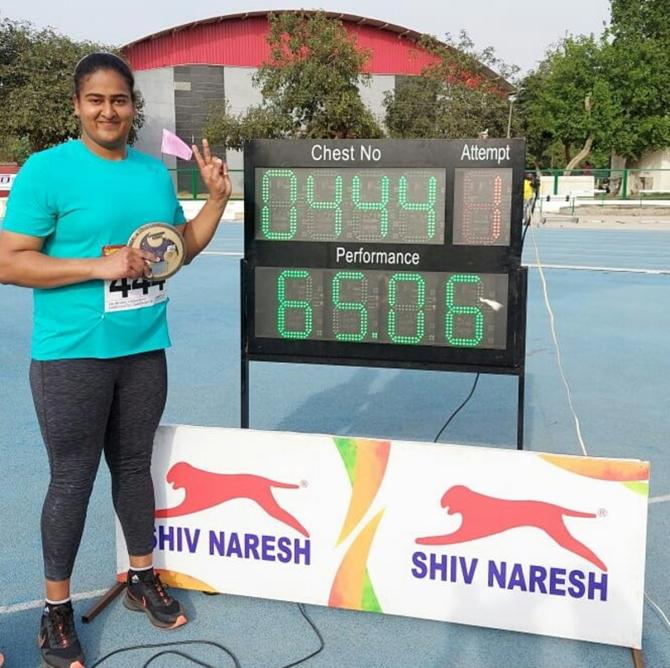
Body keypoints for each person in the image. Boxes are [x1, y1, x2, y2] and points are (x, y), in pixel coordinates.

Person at [0, 53, 231, 668]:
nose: (109, 111)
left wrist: (214, 199)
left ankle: (140, 576)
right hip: (71, 356)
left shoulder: (154, 175)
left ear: (133, 106)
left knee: (133, 468)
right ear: (77, 105)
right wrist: (96, 266)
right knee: (72, 479)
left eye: (120, 100)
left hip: (143, 351)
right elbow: (8, 261)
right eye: (96, 100)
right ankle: (55, 613)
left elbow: (178, 248)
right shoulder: (47, 172)